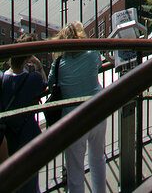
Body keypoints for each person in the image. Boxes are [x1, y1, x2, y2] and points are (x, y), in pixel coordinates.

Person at [47, 22, 107, 193]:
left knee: (75, 172)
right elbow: (97, 67)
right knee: (98, 159)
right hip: (96, 111)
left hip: (73, 120)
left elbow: (52, 83)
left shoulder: (59, 64)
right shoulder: (92, 54)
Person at [0, 33, 46, 193]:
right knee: (30, 180)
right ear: (28, 59)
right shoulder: (32, 79)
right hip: (28, 135)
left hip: (9, 137)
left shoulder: (2, 80)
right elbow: (45, 86)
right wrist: (38, 65)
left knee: (13, 179)